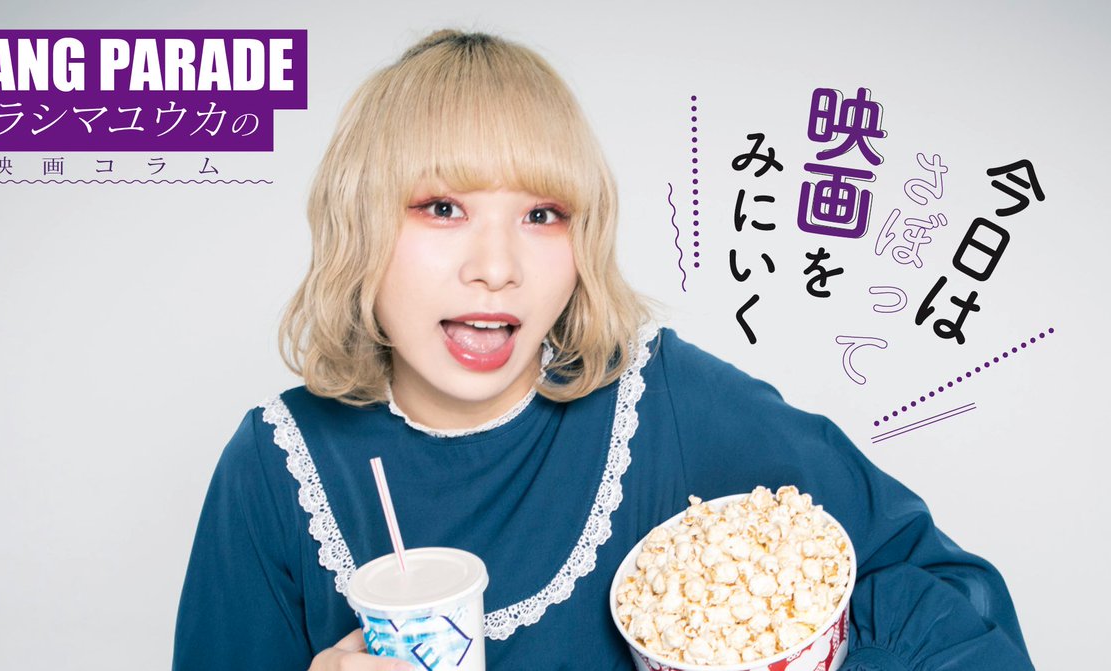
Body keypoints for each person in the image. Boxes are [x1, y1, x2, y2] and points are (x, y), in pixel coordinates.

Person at [173, 30, 1035, 671]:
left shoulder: (663, 401)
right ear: (358, 223)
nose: (496, 267)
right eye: (442, 207)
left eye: (542, 214)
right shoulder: (274, 468)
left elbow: (943, 589)